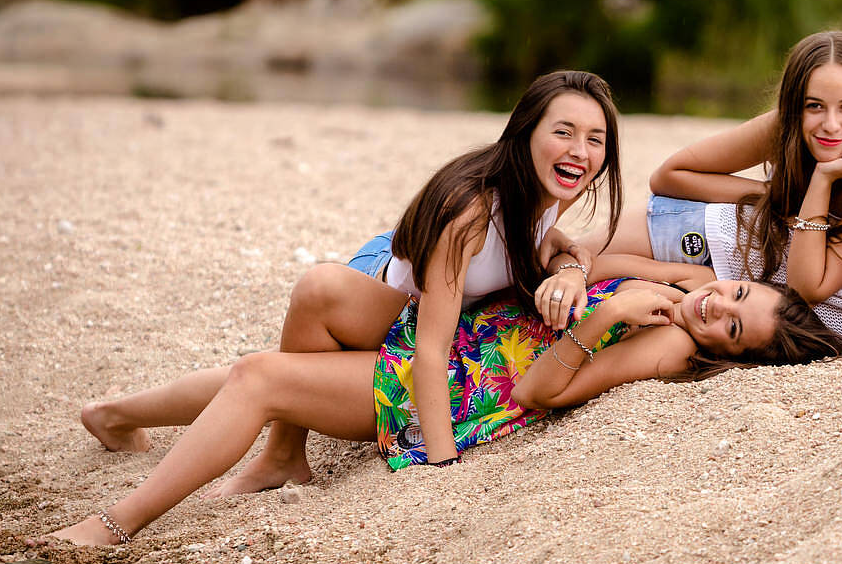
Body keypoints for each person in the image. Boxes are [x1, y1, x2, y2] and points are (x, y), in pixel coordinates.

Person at [78, 69, 621, 495]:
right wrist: (443, 463)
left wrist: (571, 265)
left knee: (279, 374)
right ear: (526, 133)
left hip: (413, 294)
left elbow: (550, 241)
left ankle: (117, 414)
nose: (580, 150)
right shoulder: (478, 203)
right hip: (384, 291)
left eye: (595, 139)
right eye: (564, 131)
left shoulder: (545, 196)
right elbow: (429, 354)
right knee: (303, 328)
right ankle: (281, 453)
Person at [48, 261, 842, 544]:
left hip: (460, 392)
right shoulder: (679, 284)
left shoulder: (671, 348)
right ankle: (122, 415)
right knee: (320, 292)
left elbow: (540, 391)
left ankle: (120, 524)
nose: (719, 308)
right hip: (461, 335)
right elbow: (593, 251)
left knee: (260, 376)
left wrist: (601, 316)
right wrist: (572, 271)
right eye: (737, 293)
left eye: (735, 328)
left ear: (729, 353)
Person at [585, 30, 842, 308]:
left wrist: (821, 181)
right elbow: (668, 176)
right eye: (814, 106)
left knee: (574, 286)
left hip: (716, 285)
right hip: (689, 231)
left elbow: (807, 288)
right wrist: (775, 196)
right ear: (795, 105)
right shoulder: (787, 127)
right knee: (558, 264)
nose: (830, 124)